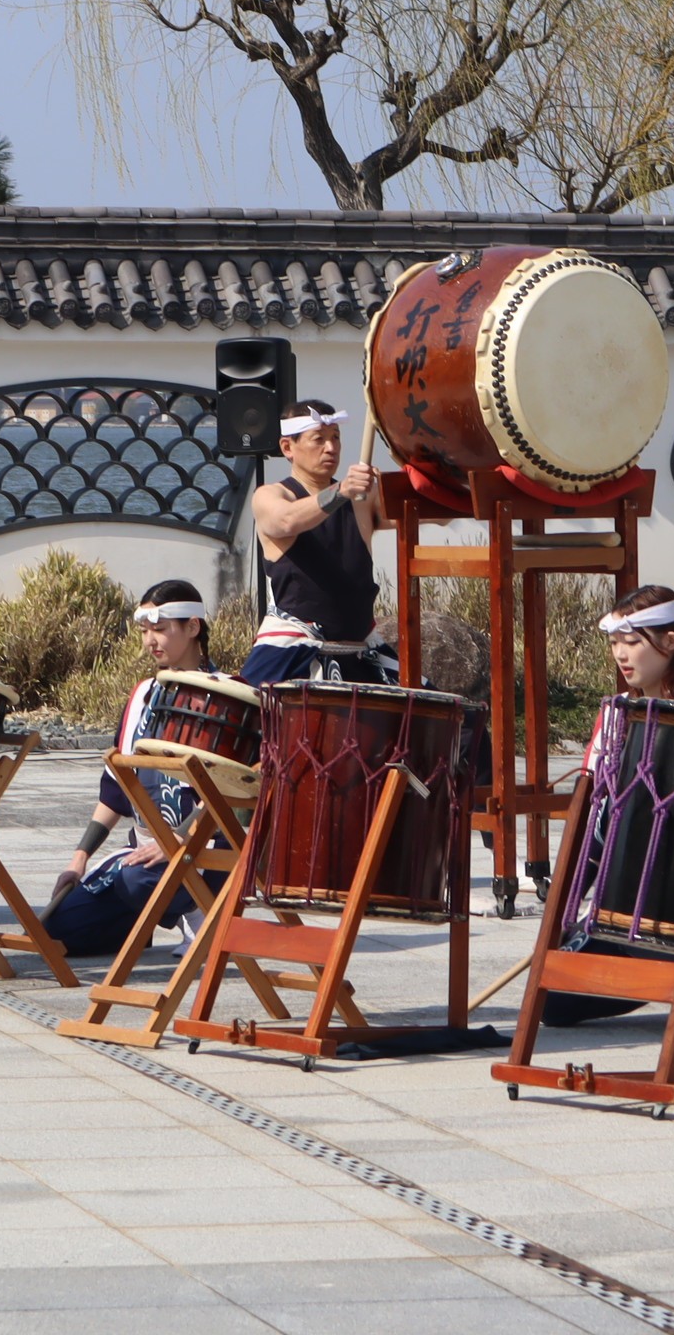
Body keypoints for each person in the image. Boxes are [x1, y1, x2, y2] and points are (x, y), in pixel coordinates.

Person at [538, 586, 674, 1032]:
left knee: (658, 959)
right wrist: (567, 904)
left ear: (669, 643)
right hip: (622, 896)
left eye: (632, 642)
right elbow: (599, 817)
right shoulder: (618, 713)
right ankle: (664, 973)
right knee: (553, 1003)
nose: (621, 654)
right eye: (615, 643)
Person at [44, 582, 218, 953]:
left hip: (204, 849)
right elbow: (115, 789)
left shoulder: (226, 695)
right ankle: (139, 920)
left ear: (193, 627)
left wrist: (179, 839)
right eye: (144, 631)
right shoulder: (142, 695)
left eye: (161, 629)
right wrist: (79, 858)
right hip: (145, 851)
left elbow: (232, 790)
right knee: (58, 929)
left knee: (138, 882)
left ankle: (203, 910)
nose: (150, 641)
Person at [242, 400, 398, 686]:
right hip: (293, 648)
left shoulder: (362, 499)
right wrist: (341, 491)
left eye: (335, 438)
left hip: (360, 650)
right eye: (319, 440)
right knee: (250, 718)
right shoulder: (271, 496)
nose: (331, 448)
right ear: (288, 448)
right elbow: (286, 520)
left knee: (451, 719)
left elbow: (421, 515)